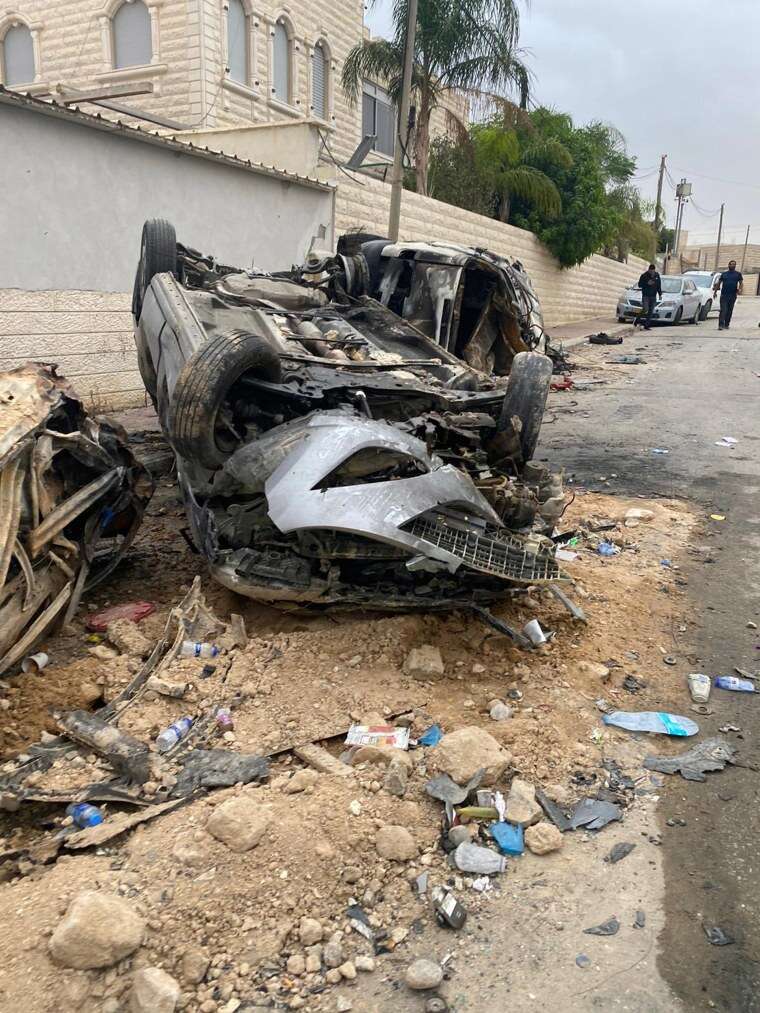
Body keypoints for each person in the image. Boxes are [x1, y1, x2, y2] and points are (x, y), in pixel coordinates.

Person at [713, 260, 744, 330]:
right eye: (731, 264)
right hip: (724, 295)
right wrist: (715, 292)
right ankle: (720, 325)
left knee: (729, 310)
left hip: (733, 295)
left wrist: (740, 289)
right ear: (728, 265)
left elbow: (741, 283)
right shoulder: (724, 274)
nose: (732, 265)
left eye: (734, 264)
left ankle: (727, 324)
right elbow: (719, 283)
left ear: (735, 266)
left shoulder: (738, 274)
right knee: (723, 310)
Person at [636, 264, 662, 329]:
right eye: (651, 271)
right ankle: (637, 319)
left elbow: (659, 285)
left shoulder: (657, 275)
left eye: (653, 271)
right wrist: (647, 283)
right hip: (646, 296)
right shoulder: (644, 275)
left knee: (650, 311)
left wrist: (660, 294)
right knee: (645, 309)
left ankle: (646, 325)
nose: (652, 273)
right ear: (649, 270)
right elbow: (639, 285)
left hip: (653, 296)